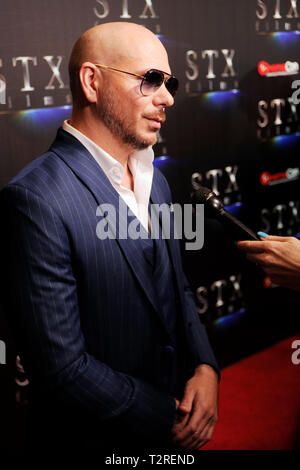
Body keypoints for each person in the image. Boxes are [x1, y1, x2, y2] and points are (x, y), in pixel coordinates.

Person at [0, 22, 219, 452]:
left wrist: (206, 368)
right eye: (150, 80)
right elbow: (62, 367)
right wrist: (166, 415)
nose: (168, 97)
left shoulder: (155, 181)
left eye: (169, 82)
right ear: (91, 82)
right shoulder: (35, 200)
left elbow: (176, 288)